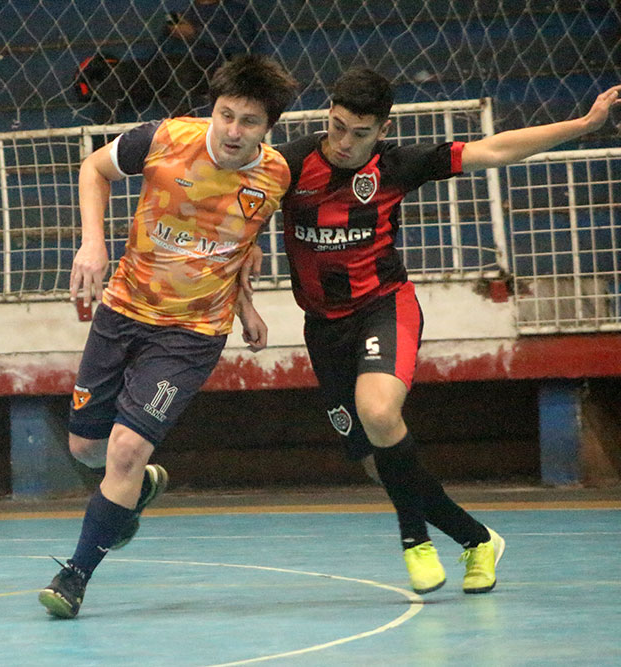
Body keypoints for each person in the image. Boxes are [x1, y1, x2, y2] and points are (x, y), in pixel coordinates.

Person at [255, 68, 621, 595]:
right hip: (323, 328)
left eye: (360, 133)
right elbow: (234, 213)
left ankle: (415, 541)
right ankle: (477, 539)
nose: (345, 142)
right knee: (376, 462)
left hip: (383, 308)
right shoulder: (289, 163)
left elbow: (494, 150)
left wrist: (583, 124)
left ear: (382, 130)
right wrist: (243, 286)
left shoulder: (397, 164)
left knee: (379, 412)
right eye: (337, 127)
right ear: (328, 114)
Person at [39, 54, 298, 619]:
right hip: (124, 310)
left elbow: (239, 245)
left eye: (249, 121)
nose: (233, 131)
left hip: (193, 332)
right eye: (225, 114)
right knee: (87, 449)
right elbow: (93, 168)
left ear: (268, 127)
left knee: (126, 449)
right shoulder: (164, 138)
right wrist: (93, 242)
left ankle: (75, 575)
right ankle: (137, 490)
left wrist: (246, 307)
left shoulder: (275, 175)